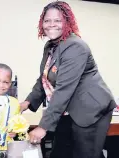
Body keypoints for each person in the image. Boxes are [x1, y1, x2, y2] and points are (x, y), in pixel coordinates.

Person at [20, 1, 117, 158]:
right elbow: (44, 78)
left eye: (57, 20)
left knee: (85, 154)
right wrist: (27, 103)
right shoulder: (51, 46)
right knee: (60, 153)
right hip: (68, 111)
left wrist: (43, 127)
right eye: (47, 20)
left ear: (67, 22)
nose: (51, 24)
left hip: (90, 111)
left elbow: (64, 89)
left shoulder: (75, 47)